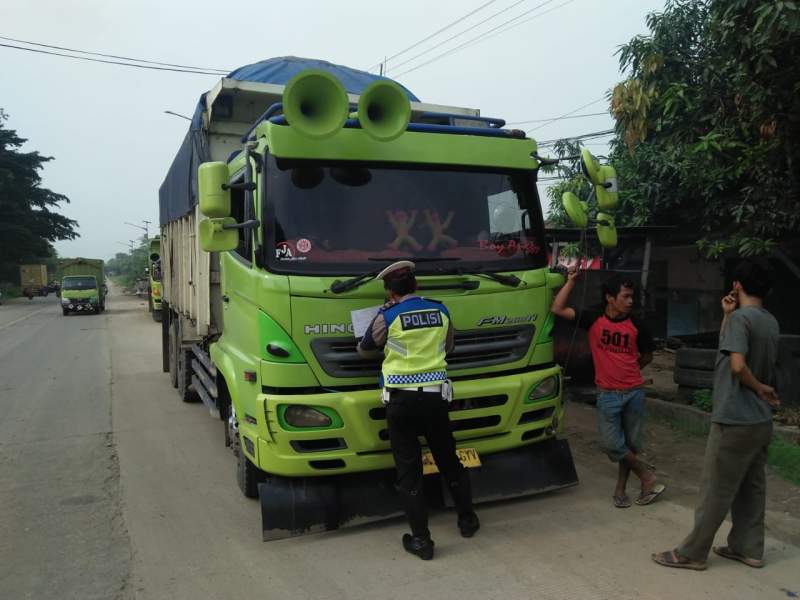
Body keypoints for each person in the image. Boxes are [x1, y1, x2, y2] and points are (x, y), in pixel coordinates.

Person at [653, 260, 780, 570]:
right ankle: (748, 548)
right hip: (759, 422)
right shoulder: (769, 321)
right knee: (752, 487)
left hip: (734, 418)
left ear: (737, 285)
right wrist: (726, 316)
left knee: (715, 489)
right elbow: (731, 348)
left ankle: (691, 553)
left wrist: (759, 386)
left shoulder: (742, 320)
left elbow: (736, 366)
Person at [357, 260, 479, 560]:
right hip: (437, 399)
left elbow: (364, 348)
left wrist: (382, 313)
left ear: (389, 292)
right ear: (417, 286)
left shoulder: (388, 315)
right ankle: (467, 520)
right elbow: (448, 348)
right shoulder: (440, 310)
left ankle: (422, 541)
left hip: (402, 403)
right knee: (449, 460)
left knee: (409, 471)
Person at [551, 269, 663, 508]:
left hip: (634, 392)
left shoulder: (638, 325)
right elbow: (557, 309)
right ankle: (646, 476)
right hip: (608, 393)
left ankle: (620, 490)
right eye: (625, 296)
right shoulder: (593, 319)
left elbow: (647, 356)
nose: (630, 301)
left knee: (628, 446)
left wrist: (628, 370)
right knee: (611, 444)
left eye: (632, 296)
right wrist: (571, 280)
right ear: (610, 298)